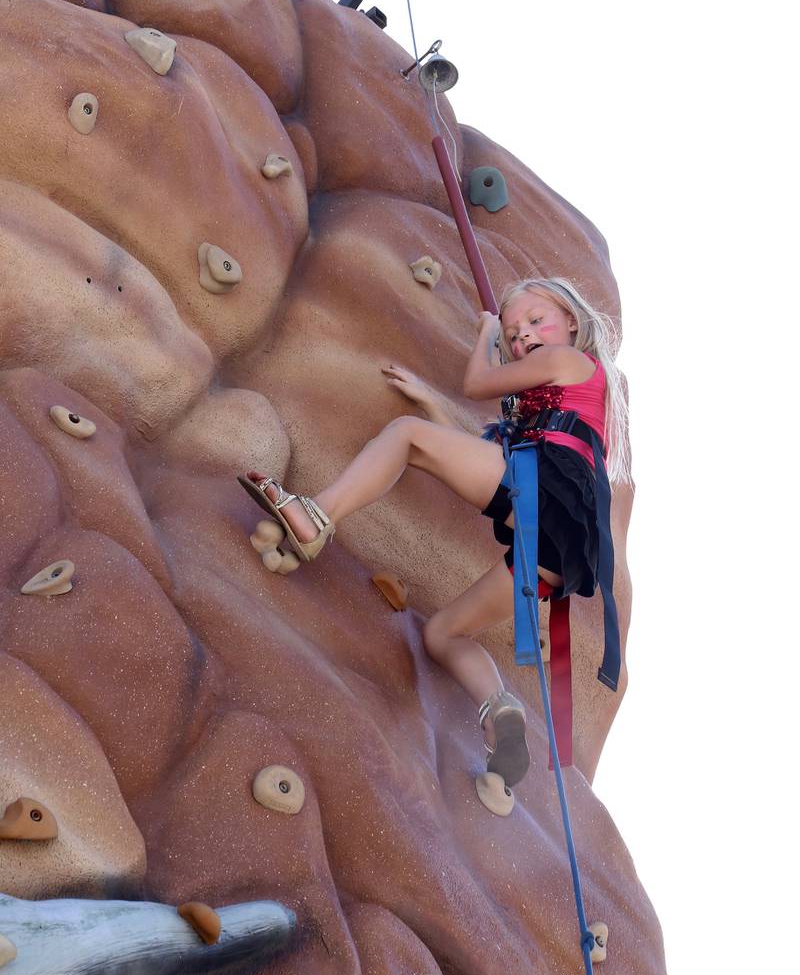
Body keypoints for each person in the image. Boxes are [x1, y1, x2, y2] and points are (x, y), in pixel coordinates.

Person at [238, 276, 630, 787]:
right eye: (513, 334)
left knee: (404, 437)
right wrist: (430, 402)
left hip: (546, 493)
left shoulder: (566, 361)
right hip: (559, 542)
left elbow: (476, 387)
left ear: (572, 323)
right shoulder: (559, 395)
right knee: (443, 633)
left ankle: (317, 516)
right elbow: (484, 456)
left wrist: (486, 334)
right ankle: (498, 710)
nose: (522, 338)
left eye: (535, 321)